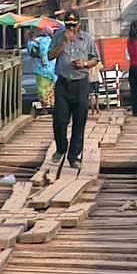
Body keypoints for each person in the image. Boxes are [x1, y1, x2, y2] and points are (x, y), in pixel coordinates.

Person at [48, 9, 100, 169]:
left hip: (81, 83)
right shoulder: (58, 37)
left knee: (79, 121)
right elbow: (50, 56)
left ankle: (74, 156)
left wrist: (84, 64)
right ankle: (61, 148)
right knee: (59, 120)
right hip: (63, 83)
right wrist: (64, 43)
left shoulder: (87, 39)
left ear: (79, 24)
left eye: (73, 25)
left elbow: (95, 59)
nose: (71, 28)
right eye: (68, 25)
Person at [27, 27, 57, 109]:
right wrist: (44, 61)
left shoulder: (36, 41)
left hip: (42, 69)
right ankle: (50, 104)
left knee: (43, 89)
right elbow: (43, 52)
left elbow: (32, 51)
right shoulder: (47, 40)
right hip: (50, 69)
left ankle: (47, 104)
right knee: (49, 89)